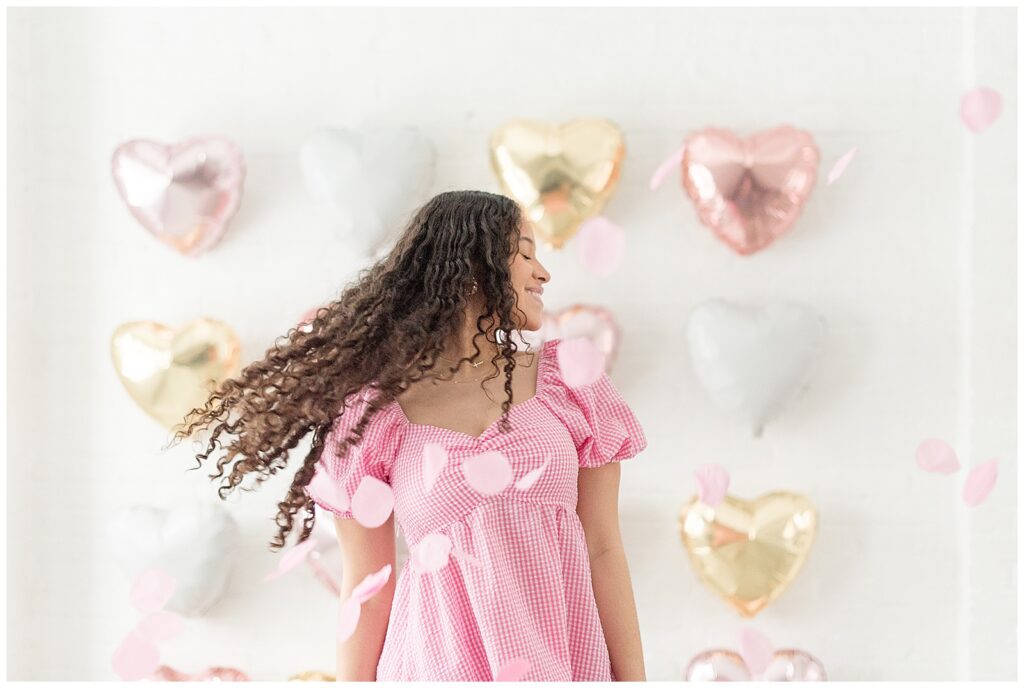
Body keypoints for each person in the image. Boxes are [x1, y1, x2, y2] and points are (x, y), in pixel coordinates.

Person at [171, 190, 648, 681]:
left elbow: (603, 548)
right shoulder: (372, 416)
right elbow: (368, 591)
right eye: (524, 253)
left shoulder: (570, 381)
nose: (543, 273)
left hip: (565, 663)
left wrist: (635, 679)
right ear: (471, 266)